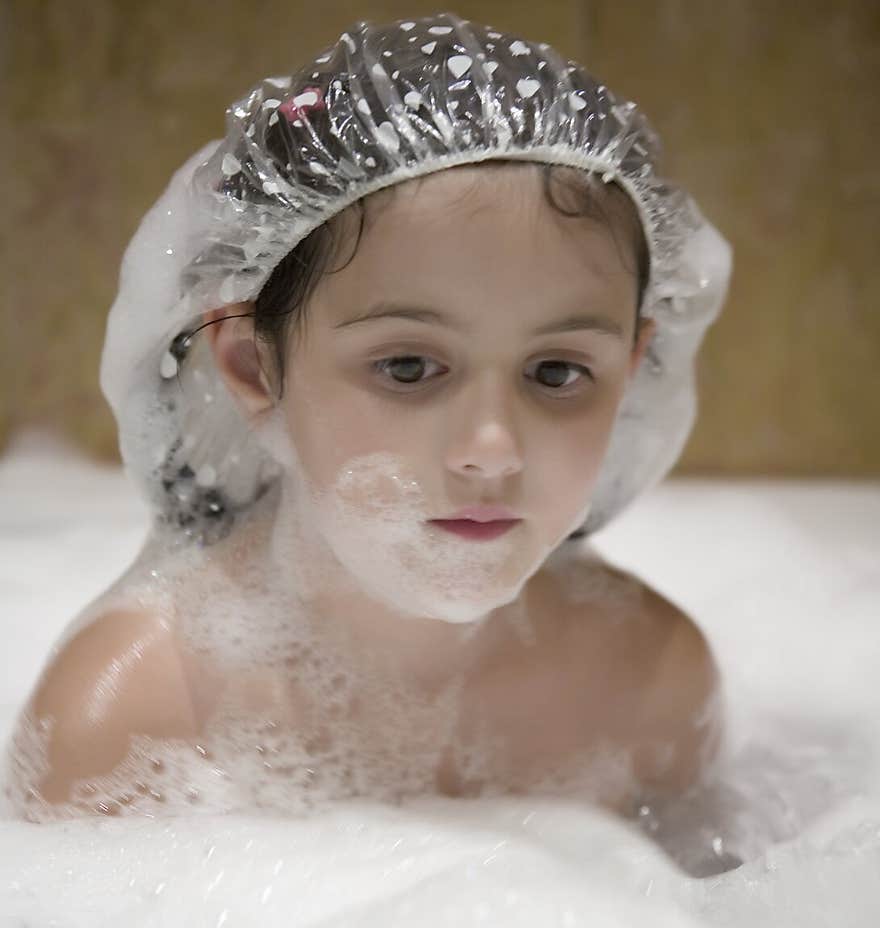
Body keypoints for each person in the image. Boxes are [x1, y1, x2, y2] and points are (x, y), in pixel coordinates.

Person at [1, 11, 733, 828]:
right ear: (254, 368)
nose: (491, 450)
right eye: (409, 367)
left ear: (631, 366)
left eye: (557, 372)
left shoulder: (655, 685)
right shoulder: (128, 719)